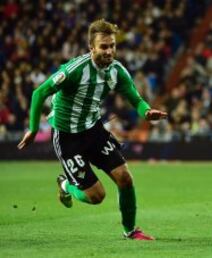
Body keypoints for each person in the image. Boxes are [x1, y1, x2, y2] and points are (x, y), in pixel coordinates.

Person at [17, 19, 167, 240]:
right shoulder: (74, 70)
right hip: (67, 137)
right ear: (91, 48)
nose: (109, 51)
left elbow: (135, 98)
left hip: (93, 130)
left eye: (112, 46)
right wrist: (32, 129)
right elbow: (39, 93)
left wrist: (146, 112)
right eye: (104, 47)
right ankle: (66, 184)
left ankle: (130, 231)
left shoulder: (117, 71)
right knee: (96, 196)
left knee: (125, 177)